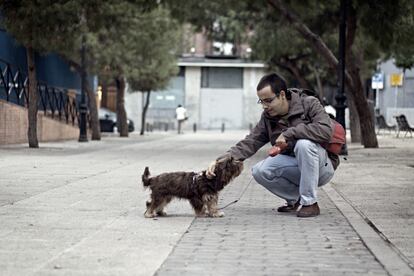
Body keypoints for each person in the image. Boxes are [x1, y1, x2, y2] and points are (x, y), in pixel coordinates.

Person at [206, 73, 339, 217]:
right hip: (297, 166)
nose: (264, 106)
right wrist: (220, 161)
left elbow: (326, 131)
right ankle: (296, 201)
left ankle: (310, 203)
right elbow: (250, 142)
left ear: (282, 94)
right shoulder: (268, 118)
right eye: (261, 101)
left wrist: (289, 133)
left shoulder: (309, 103)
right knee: (260, 170)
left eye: (268, 101)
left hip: (322, 167)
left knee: (303, 145)